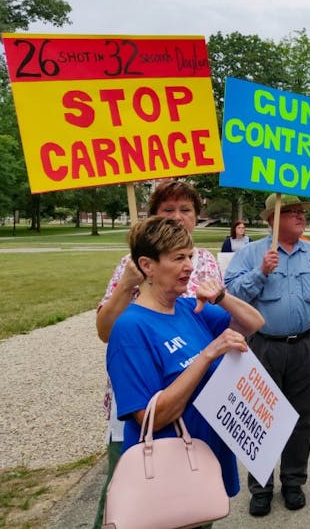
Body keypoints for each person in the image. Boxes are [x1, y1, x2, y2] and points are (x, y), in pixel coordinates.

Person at [106, 217, 265, 507]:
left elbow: (254, 322)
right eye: (178, 257)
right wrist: (207, 355)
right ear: (147, 265)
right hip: (169, 473)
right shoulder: (130, 328)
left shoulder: (188, 307)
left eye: (190, 256)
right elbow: (152, 418)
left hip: (205, 459)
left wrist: (222, 296)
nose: (190, 266)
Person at [92, 179, 222, 529]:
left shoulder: (206, 262)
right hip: (144, 387)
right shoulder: (131, 265)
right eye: (168, 210)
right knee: (131, 490)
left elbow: (221, 321)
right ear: (152, 217)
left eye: (186, 210)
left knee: (192, 493)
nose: (178, 217)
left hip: (193, 397)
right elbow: (107, 331)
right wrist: (127, 284)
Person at [224, 193, 310, 517]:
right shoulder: (250, 254)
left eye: (301, 211)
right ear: (272, 219)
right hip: (262, 346)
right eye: (290, 212)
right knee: (259, 418)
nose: (300, 216)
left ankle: (293, 482)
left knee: (301, 418)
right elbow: (229, 296)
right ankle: (261, 488)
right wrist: (260, 272)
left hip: (305, 346)